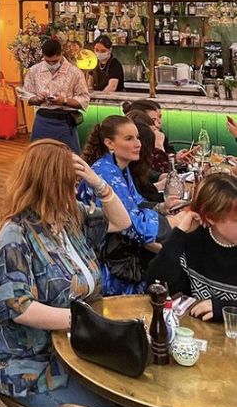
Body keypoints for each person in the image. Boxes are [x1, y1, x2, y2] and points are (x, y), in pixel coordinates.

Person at [0, 140, 131, 407]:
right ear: (48, 184)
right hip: (31, 367)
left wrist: (99, 183)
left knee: (134, 399)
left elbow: (122, 222)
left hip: (77, 350)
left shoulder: (69, 216)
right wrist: (85, 320)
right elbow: (18, 308)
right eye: (70, 182)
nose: (75, 188)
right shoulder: (15, 234)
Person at [80, 115, 176, 295]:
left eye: (137, 137)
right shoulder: (105, 172)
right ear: (110, 144)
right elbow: (131, 223)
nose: (138, 143)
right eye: (129, 138)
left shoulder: (118, 166)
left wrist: (161, 208)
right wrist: (172, 223)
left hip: (119, 250)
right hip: (106, 261)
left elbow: (136, 202)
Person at [147, 172, 237, 322]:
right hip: (195, 335)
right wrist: (179, 234)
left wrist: (226, 308)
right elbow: (156, 284)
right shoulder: (192, 239)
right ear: (211, 217)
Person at [24, 37, 89, 152]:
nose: (51, 64)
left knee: (68, 161)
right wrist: (37, 99)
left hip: (64, 123)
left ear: (61, 54)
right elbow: (27, 95)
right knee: (39, 159)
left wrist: (64, 101)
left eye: (54, 61)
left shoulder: (75, 73)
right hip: (42, 121)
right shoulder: (34, 71)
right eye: (47, 61)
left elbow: (84, 99)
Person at [123, 99, 195, 172]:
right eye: (153, 120)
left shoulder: (159, 134)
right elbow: (163, 171)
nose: (158, 123)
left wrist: (176, 158)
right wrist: (158, 146)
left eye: (160, 117)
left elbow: (167, 153)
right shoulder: (137, 144)